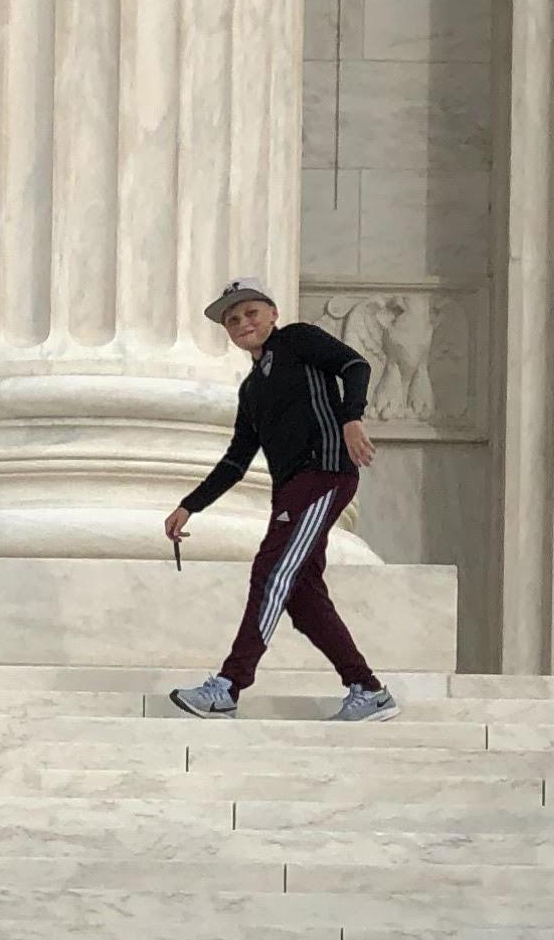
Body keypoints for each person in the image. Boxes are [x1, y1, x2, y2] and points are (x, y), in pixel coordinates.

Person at [162, 281, 399, 721]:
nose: (242, 323)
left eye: (250, 312)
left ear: (272, 313)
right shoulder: (252, 389)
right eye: (232, 320)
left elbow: (354, 365)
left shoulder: (298, 339)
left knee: (271, 572)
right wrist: (190, 505)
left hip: (323, 474)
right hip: (291, 490)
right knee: (303, 596)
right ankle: (368, 690)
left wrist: (351, 418)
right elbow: (237, 459)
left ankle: (228, 687)